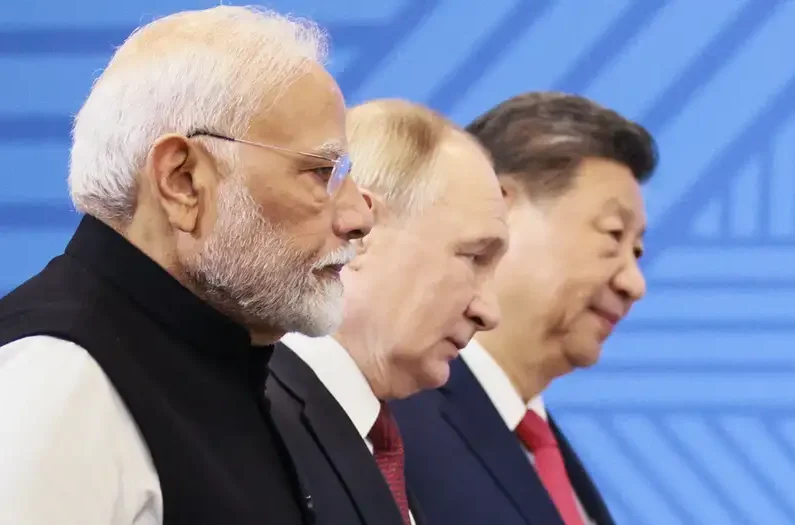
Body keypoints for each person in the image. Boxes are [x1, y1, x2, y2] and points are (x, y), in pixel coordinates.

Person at [0, 6, 373, 525]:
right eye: (320, 172)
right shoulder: (58, 383)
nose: (358, 217)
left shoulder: (233, 362)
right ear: (182, 182)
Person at [391, 92, 657, 525]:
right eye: (613, 234)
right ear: (499, 207)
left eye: (638, 250)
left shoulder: (549, 455)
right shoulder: (393, 420)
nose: (634, 283)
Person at [267, 99, 508, 525]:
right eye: (473, 257)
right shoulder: (251, 421)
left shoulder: (390, 454)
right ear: (361, 230)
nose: (489, 313)